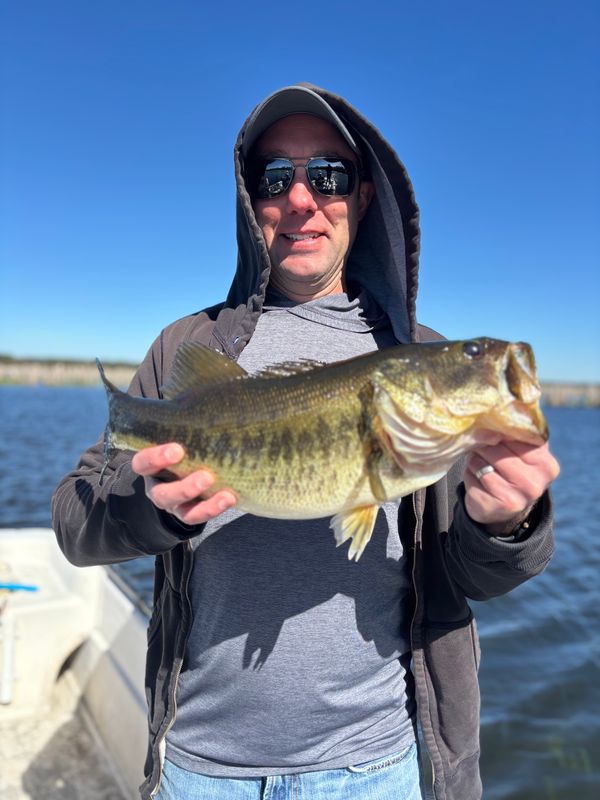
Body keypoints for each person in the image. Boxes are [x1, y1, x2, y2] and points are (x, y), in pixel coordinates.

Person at [52, 84, 559, 800]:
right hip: (200, 767)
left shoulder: (417, 353)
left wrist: (507, 523)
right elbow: (77, 526)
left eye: (327, 176)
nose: (300, 200)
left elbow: (479, 580)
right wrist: (153, 509)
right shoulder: (185, 348)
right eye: (274, 177)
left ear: (363, 196)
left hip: (377, 765)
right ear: (249, 199)